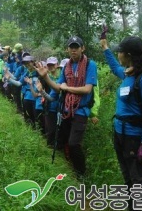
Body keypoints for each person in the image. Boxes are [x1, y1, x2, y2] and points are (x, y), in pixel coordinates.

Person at [100, 36, 142, 211]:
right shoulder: (128, 73)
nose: (118, 54)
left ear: (128, 54)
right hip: (120, 135)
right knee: (129, 178)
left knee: (139, 180)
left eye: (120, 51)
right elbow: (114, 66)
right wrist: (105, 49)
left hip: (134, 137)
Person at [35, 36, 98, 178]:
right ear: (67, 49)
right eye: (71, 47)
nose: (74, 49)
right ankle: (72, 169)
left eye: (77, 47)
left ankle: (81, 173)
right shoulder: (67, 67)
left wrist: (67, 88)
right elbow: (58, 89)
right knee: (66, 142)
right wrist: (46, 77)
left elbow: (87, 89)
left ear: (83, 48)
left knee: (74, 143)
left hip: (81, 110)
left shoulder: (90, 65)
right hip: (66, 110)